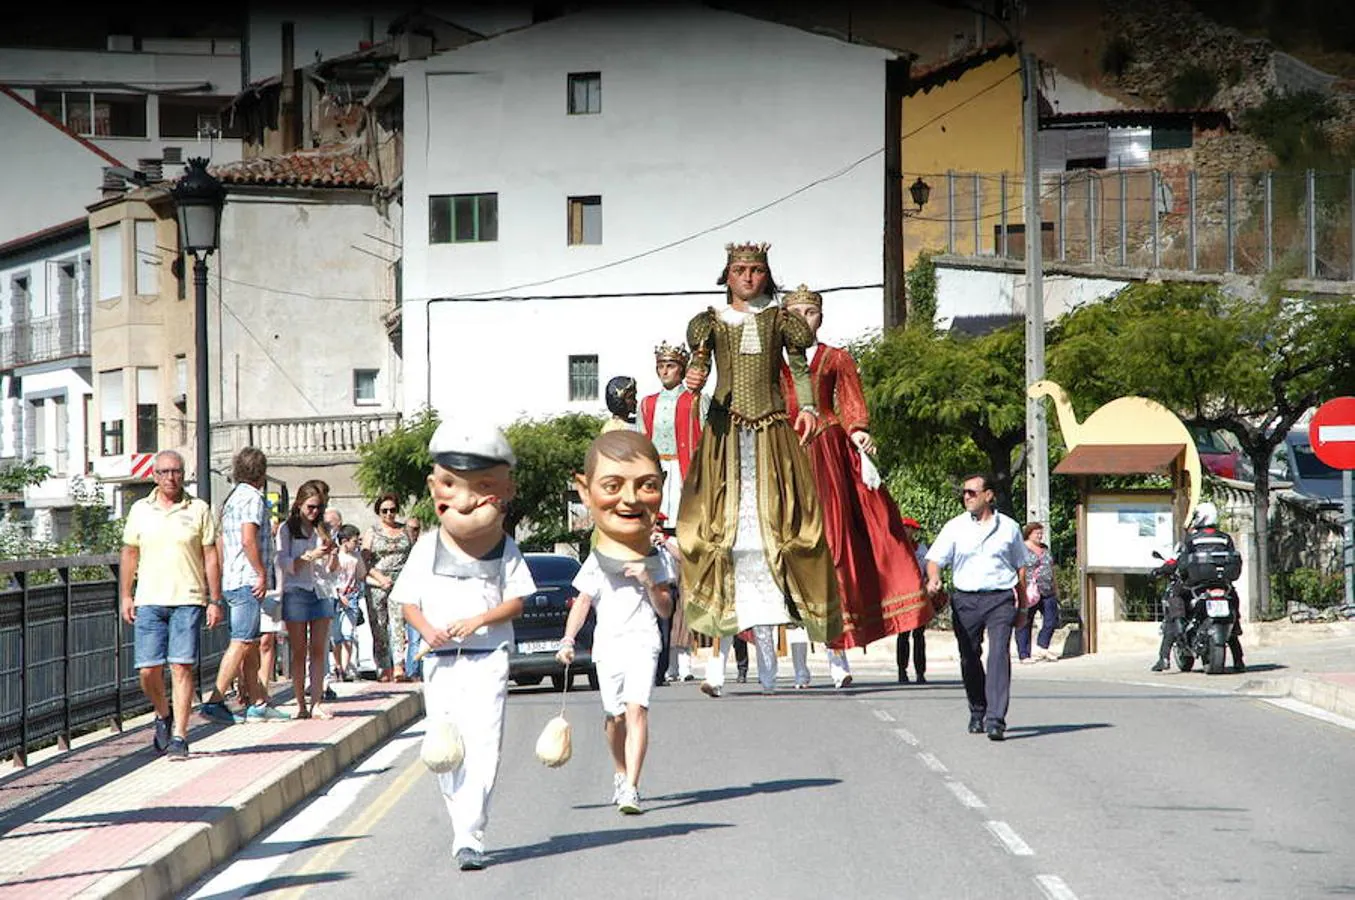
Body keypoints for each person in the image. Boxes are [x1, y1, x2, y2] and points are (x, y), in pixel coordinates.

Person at [681, 242, 841, 697]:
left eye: (755, 270)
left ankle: (806, 660)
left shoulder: (780, 320)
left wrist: (807, 407)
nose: (748, 278)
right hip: (725, 434)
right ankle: (715, 668)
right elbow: (699, 365)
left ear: (766, 276)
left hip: (772, 429)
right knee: (722, 530)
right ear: (727, 276)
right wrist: (695, 377)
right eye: (739, 270)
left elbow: (799, 366)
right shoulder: (710, 321)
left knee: (787, 523)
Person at [396, 415, 533, 871]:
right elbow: (408, 602)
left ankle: (470, 833)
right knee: (445, 748)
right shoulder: (428, 547)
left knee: (484, 744)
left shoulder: (504, 548)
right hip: (439, 661)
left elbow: (517, 601)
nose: (467, 500)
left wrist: (479, 620)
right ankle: (462, 827)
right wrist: (427, 629)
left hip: (488, 657)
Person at [779, 285, 931, 689]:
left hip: (827, 454)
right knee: (786, 552)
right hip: (783, 455)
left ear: (820, 318)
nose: (802, 319)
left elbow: (850, 404)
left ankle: (838, 655)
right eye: (795, 312)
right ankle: (794, 665)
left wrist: (859, 431)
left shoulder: (836, 358)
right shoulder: (772, 367)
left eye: (810, 312)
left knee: (835, 548)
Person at [557, 431, 676, 815]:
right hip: (607, 645)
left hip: (643, 642)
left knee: (637, 710)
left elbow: (666, 610)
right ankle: (620, 772)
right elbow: (583, 602)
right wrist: (568, 638)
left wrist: (647, 581)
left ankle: (632, 789)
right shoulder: (597, 559)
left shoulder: (657, 558)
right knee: (614, 717)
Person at [119, 450, 222, 759]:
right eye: (164, 472)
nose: (170, 477)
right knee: (148, 671)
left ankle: (179, 735)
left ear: (183, 473)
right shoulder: (140, 509)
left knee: (181, 666)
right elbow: (129, 553)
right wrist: (126, 594)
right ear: (154, 476)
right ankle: (163, 714)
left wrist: (214, 599)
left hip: (188, 598)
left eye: (175, 471)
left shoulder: (199, 509)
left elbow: (211, 556)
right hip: (149, 598)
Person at [925, 473, 1027, 742]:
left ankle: (996, 719)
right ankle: (977, 709)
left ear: (988, 496)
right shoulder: (955, 527)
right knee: (969, 656)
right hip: (965, 601)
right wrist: (934, 577)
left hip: (1000, 599)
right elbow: (935, 558)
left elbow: (1020, 567)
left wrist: (1024, 606)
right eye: (965, 493)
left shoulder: (1010, 528)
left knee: (998, 655)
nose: (966, 497)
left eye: (972, 492)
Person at [200, 447, 291, 725]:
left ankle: (257, 702)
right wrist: (262, 573)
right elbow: (248, 539)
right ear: (261, 473)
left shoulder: (231, 498)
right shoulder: (252, 498)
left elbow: (221, 541)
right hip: (247, 580)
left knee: (249, 642)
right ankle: (215, 701)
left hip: (232, 578)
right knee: (241, 641)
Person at [1151, 501, 1245, 673]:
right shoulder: (1225, 538)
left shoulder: (1192, 539)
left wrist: (1163, 570)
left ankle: (1164, 656)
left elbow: (1181, 561)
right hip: (1221, 583)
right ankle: (1238, 658)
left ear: (1200, 517)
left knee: (1175, 595)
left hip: (1196, 585)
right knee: (1232, 600)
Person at [277, 479, 337, 719]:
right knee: (299, 650)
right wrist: (309, 556)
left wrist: (330, 554)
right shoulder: (287, 529)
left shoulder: (325, 529)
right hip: (296, 591)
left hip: (321, 590)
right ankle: (300, 703)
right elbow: (283, 562)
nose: (314, 512)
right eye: (310, 507)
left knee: (319, 649)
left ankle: (317, 702)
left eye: (318, 508)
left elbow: (333, 568)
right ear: (299, 504)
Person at [639, 341, 709, 526]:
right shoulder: (647, 403)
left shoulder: (697, 401)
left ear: (682, 369)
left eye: (670, 366)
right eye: (660, 367)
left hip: (684, 467)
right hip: (656, 468)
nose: (664, 371)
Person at [364, 492, 413, 682]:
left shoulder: (405, 530)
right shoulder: (372, 532)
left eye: (392, 510)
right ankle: (384, 666)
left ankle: (399, 666)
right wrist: (379, 577)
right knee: (379, 625)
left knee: (399, 623)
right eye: (384, 511)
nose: (389, 514)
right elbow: (365, 559)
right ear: (379, 512)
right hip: (378, 583)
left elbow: (412, 556)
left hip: (400, 581)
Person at [1015, 522, 1061, 664]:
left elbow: (1051, 568)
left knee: (1051, 620)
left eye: (1041, 533)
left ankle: (1042, 646)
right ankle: (1024, 654)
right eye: (1037, 533)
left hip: (1047, 589)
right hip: (1028, 591)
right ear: (1029, 534)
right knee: (1025, 622)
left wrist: (1055, 586)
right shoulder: (1021, 549)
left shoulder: (1045, 549)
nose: (1040, 536)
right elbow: (1017, 569)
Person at [331, 524, 367, 681]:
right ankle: (338, 666)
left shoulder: (355, 557)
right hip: (336, 597)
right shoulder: (336, 556)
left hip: (351, 597)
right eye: (354, 541)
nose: (357, 544)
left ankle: (344, 668)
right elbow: (330, 577)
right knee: (336, 635)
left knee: (348, 634)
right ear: (345, 541)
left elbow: (361, 574)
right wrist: (338, 594)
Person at [897, 517, 930, 684]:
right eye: (906, 527)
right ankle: (902, 671)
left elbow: (927, 568)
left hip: (919, 596)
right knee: (903, 635)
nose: (909, 531)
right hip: (902, 596)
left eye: (911, 528)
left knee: (919, 635)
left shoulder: (921, 549)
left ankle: (920, 672)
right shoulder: (896, 548)